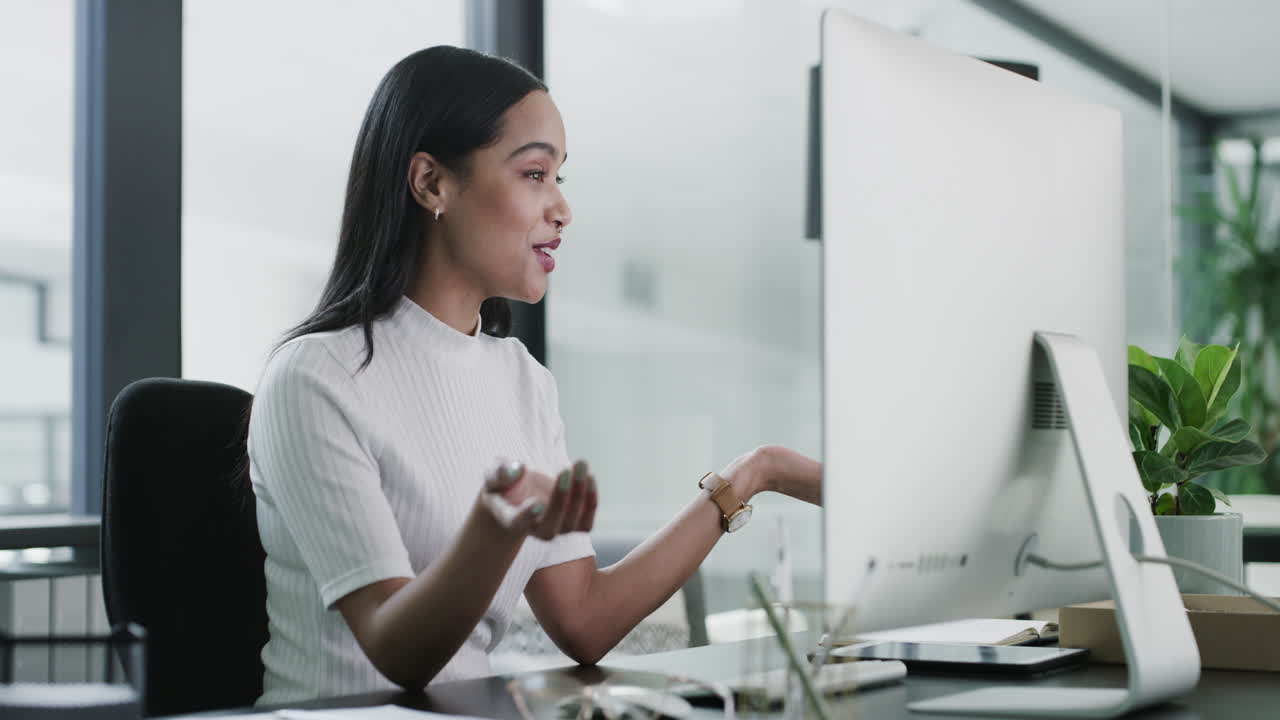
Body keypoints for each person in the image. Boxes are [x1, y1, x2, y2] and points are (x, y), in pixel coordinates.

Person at [248, 45, 823, 706]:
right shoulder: (315, 378)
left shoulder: (521, 379)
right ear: (432, 184)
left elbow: (584, 620)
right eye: (533, 174)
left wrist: (755, 474)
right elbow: (394, 651)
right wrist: (494, 535)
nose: (561, 209)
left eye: (560, 178)